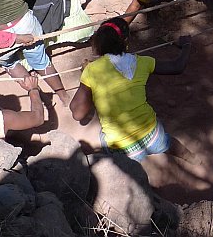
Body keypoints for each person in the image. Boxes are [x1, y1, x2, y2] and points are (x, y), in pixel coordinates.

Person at [70, 18, 192, 161]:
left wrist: (85, 79)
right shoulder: (142, 62)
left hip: (123, 151)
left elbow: (77, 113)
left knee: (104, 138)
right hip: (153, 135)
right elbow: (177, 66)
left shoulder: (91, 70)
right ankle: (194, 160)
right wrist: (187, 46)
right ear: (126, 41)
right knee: (168, 143)